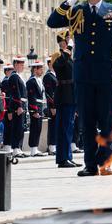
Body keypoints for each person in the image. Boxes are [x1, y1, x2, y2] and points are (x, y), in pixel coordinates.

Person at [46, 0, 112, 177]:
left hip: (106, 75)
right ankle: (90, 165)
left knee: (107, 121)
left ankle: (105, 162)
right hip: (83, 76)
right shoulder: (77, 11)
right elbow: (52, 21)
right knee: (87, 121)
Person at [50, 30, 78, 168]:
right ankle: (62, 158)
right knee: (64, 128)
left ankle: (68, 156)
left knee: (69, 127)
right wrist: (69, 49)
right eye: (68, 39)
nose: (70, 41)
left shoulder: (70, 57)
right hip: (63, 95)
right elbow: (57, 66)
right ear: (62, 42)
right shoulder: (59, 55)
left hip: (71, 95)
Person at [3, 57, 27, 157]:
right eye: (21, 64)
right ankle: (15, 148)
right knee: (17, 127)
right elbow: (15, 92)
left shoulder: (18, 76)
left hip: (21, 104)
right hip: (17, 105)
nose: (22, 66)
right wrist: (19, 106)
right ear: (16, 64)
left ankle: (18, 147)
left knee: (20, 127)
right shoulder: (14, 77)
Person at [26, 61, 47, 156]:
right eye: (40, 69)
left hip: (39, 105)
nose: (42, 70)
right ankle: (33, 149)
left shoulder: (39, 80)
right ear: (35, 69)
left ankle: (35, 147)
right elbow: (31, 96)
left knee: (38, 127)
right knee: (34, 127)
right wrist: (34, 110)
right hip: (34, 106)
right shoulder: (31, 81)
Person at [42, 57, 57, 156]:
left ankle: (54, 145)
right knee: (53, 126)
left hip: (57, 104)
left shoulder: (54, 75)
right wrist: (52, 106)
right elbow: (49, 93)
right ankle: (51, 146)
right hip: (53, 106)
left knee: (56, 126)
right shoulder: (48, 76)